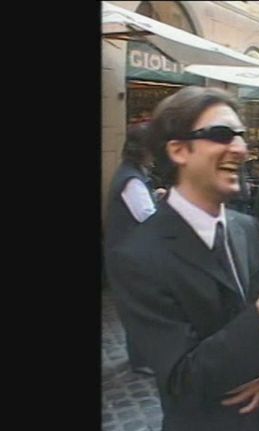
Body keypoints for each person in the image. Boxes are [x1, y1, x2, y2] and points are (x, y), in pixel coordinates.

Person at [107, 86, 259, 431]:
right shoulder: (137, 256)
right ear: (178, 150)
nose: (240, 148)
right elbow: (181, 379)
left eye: (241, 136)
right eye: (221, 135)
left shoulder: (247, 228)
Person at [104, 121, 162, 374]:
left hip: (125, 253)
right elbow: (146, 216)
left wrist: (155, 196)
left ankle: (142, 356)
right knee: (139, 306)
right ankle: (142, 360)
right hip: (129, 256)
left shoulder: (131, 174)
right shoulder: (131, 179)